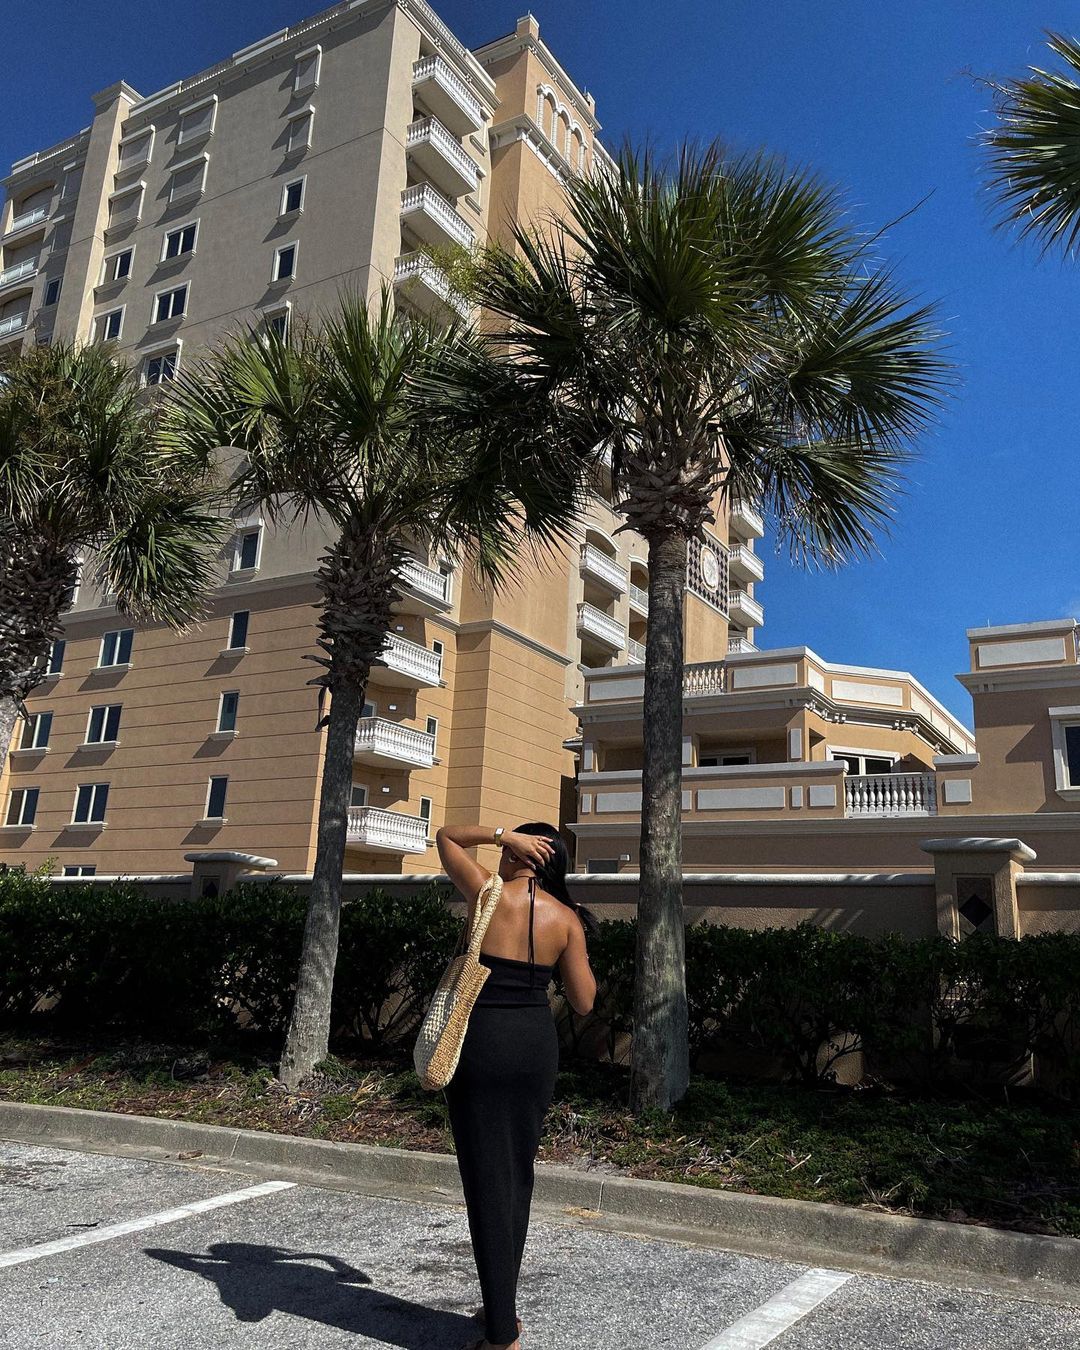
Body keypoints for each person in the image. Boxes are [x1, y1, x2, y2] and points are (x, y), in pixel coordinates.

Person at [435, 821, 597, 1350]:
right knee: (516, 1178)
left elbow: (446, 837)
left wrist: (501, 834)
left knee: (486, 1182)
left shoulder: (487, 893)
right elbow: (584, 1002)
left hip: (481, 1044)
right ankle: (500, 1306)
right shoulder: (566, 918)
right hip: (533, 1050)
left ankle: (502, 1339)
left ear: (517, 853)